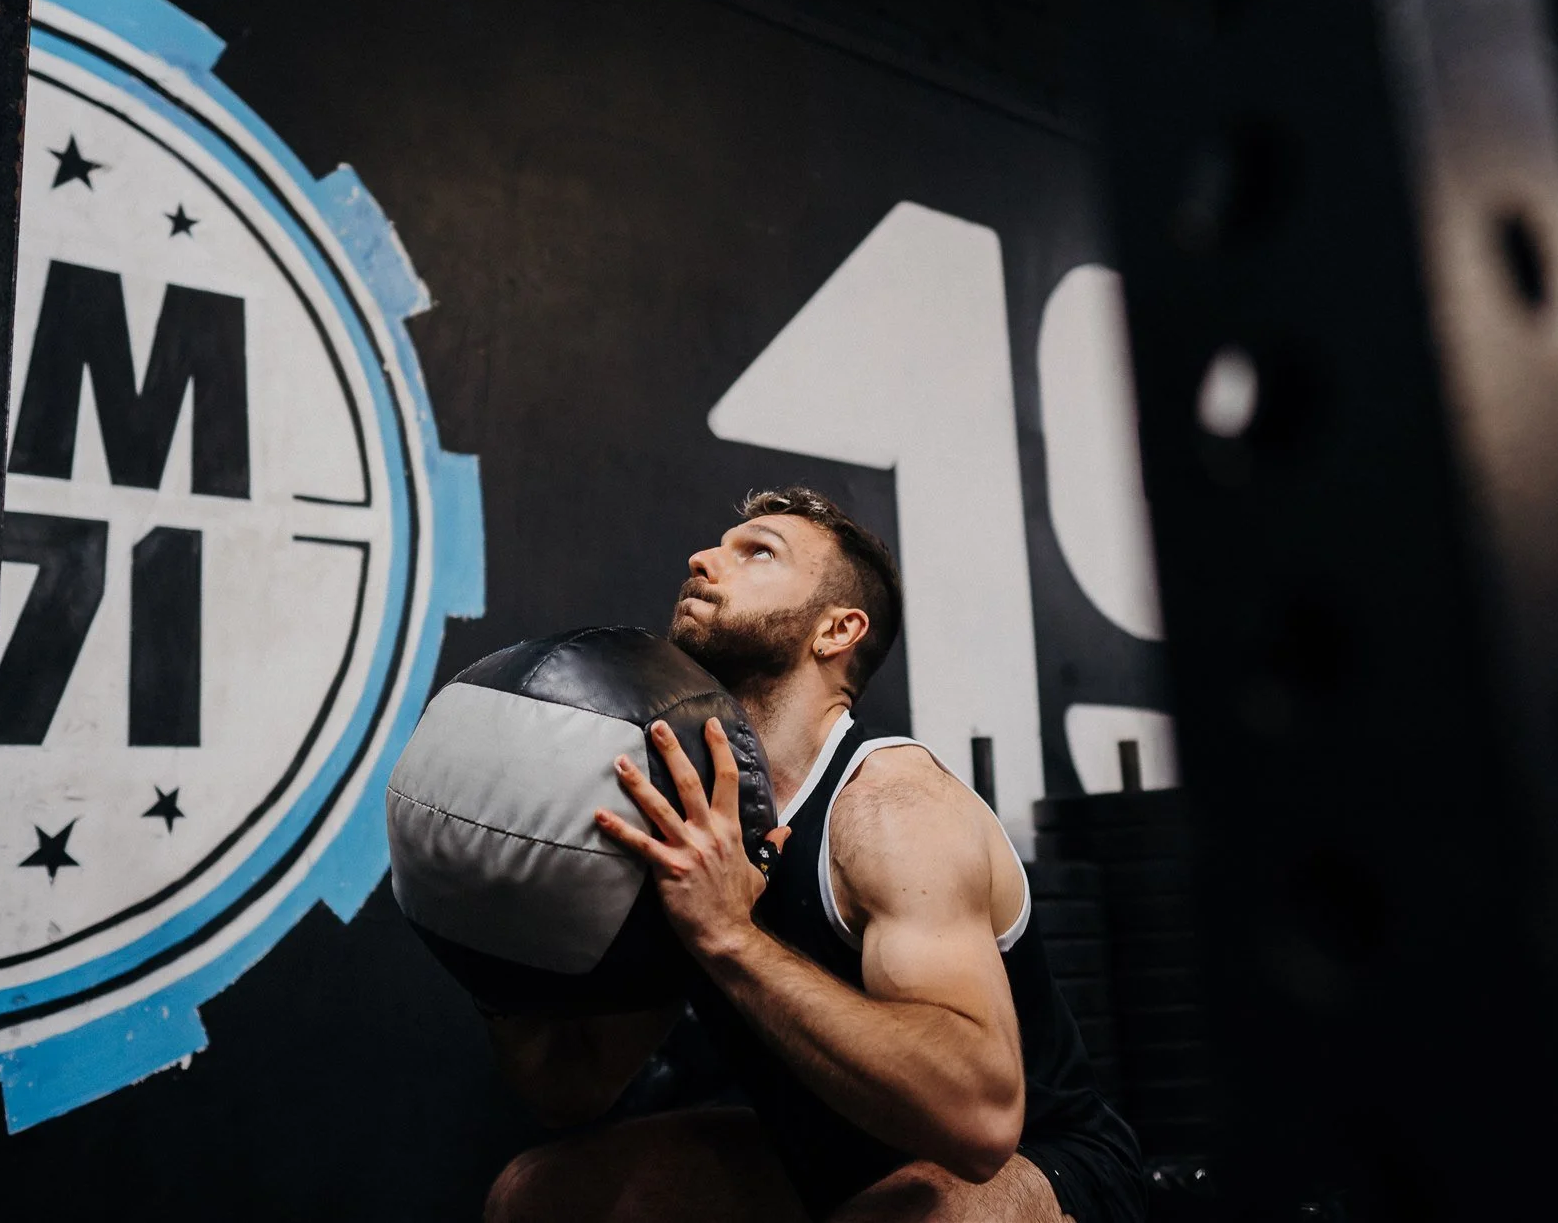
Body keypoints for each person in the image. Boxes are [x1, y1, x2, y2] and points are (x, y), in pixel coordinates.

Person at [480, 486, 1145, 1223]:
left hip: (1037, 1162)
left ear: (837, 629)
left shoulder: (891, 808)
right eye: (718, 547)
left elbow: (979, 1120)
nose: (702, 559)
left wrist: (728, 935)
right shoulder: (692, 817)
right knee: (538, 1196)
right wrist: (485, 933)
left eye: (758, 552)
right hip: (824, 1155)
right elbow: (572, 1087)